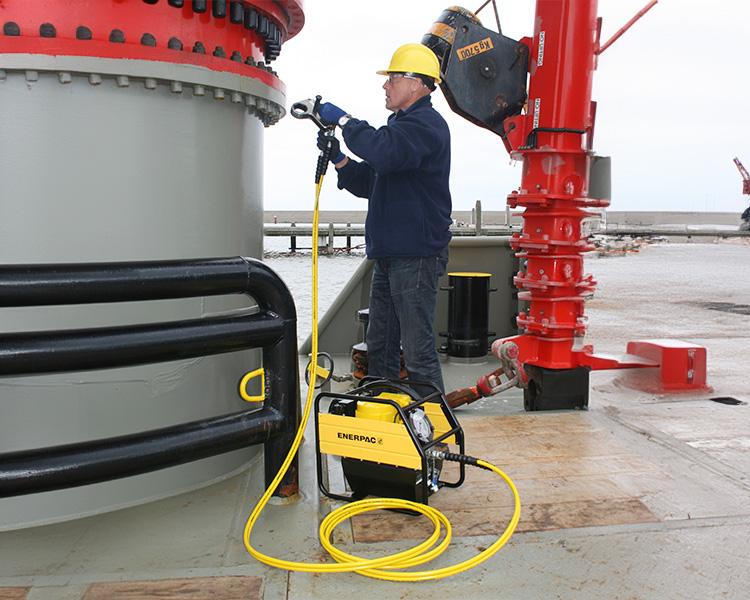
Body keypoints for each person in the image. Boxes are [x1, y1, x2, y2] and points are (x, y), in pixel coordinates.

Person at [316, 43, 452, 392]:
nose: (385, 85)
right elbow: (372, 182)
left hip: (416, 255)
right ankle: (381, 408)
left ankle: (432, 423)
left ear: (417, 84)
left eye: (392, 78)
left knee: (418, 351)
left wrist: (344, 121)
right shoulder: (400, 129)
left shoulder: (426, 126)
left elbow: (384, 152)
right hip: (391, 254)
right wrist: (339, 159)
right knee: (381, 344)